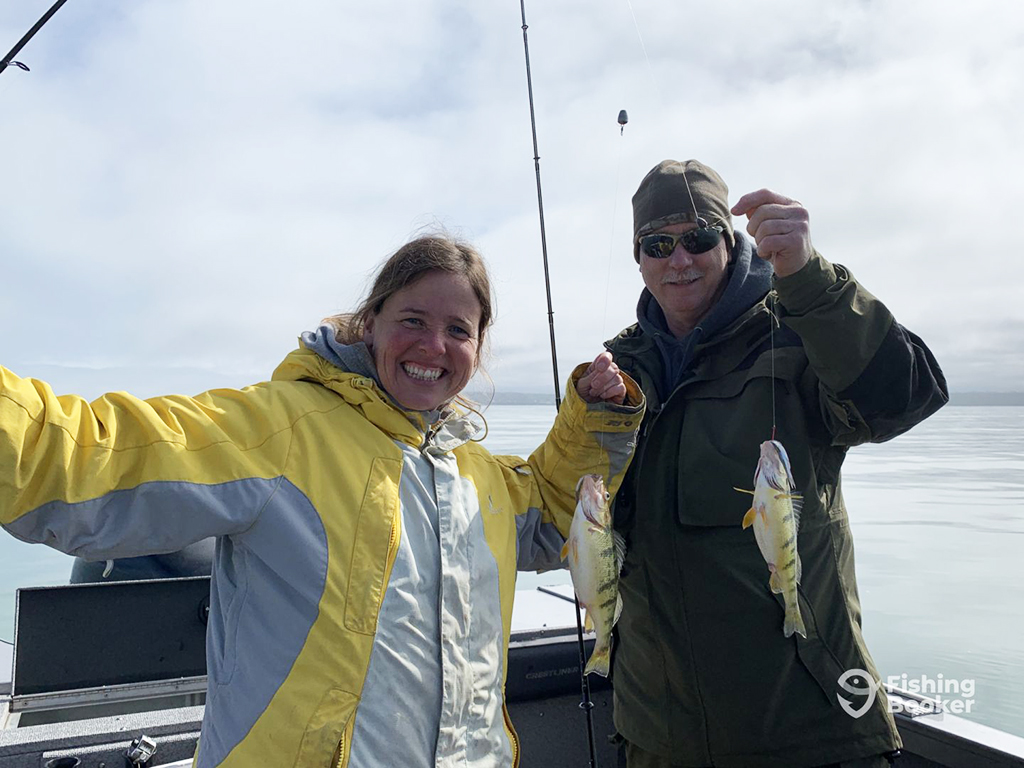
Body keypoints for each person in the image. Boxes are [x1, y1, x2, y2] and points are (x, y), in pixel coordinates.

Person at [0, 234, 644, 767]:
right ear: (370, 325)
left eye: (458, 329)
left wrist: (593, 420)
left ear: (478, 349)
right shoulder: (282, 431)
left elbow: (562, 519)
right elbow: (87, 459)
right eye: (412, 321)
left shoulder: (482, 476)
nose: (433, 346)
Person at [605, 160, 948, 768]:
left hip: (810, 731)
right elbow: (558, 506)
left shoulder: (799, 336)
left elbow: (905, 396)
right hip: (658, 739)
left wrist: (810, 279)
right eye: (658, 244)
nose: (678, 259)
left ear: (729, 240)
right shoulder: (616, 377)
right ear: (639, 258)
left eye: (698, 237)